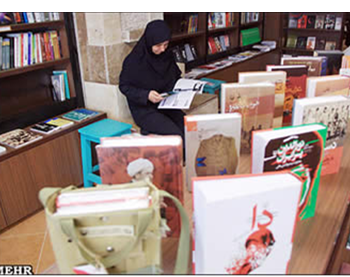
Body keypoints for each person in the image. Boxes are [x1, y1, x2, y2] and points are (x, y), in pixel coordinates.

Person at [119, 20, 185, 149]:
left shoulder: (166, 55)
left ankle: (189, 159)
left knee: (187, 126)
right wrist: (146, 95)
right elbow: (124, 86)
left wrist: (183, 88)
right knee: (176, 135)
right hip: (144, 108)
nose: (162, 49)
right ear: (149, 41)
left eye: (165, 44)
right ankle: (178, 164)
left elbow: (175, 76)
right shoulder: (133, 61)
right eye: (158, 45)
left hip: (165, 102)